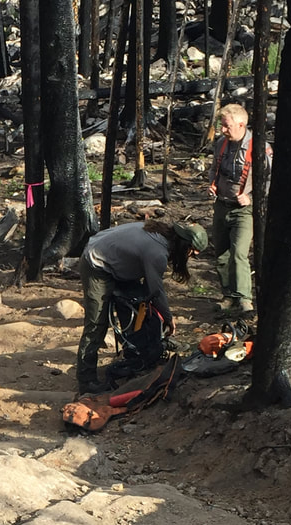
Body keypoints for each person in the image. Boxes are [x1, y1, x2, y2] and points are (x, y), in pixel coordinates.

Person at [76, 219, 208, 395]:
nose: (190, 258)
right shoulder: (157, 252)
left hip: (117, 260)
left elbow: (149, 293)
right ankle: (87, 381)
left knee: (135, 306)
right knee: (97, 323)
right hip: (97, 262)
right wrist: (168, 318)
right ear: (184, 246)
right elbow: (156, 291)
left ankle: (134, 356)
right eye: (191, 253)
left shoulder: (161, 234)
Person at [208, 103, 271, 315]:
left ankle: (245, 299)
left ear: (241, 124)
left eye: (226, 126)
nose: (223, 130)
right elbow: (214, 168)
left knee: (239, 253)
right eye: (222, 126)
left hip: (244, 210)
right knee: (222, 253)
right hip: (221, 205)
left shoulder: (260, 147)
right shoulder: (221, 144)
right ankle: (229, 295)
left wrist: (252, 197)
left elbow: (271, 178)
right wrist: (213, 184)